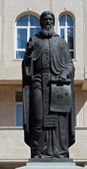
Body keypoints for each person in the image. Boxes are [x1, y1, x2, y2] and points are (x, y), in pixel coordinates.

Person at [21, 10, 75, 158]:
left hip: (57, 85)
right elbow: (27, 68)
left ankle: (60, 152)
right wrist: (28, 56)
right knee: (38, 117)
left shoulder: (60, 42)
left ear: (54, 22)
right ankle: (38, 151)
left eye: (51, 19)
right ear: (41, 22)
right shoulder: (35, 41)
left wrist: (64, 74)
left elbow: (70, 65)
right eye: (45, 19)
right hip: (38, 82)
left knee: (59, 121)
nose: (48, 22)